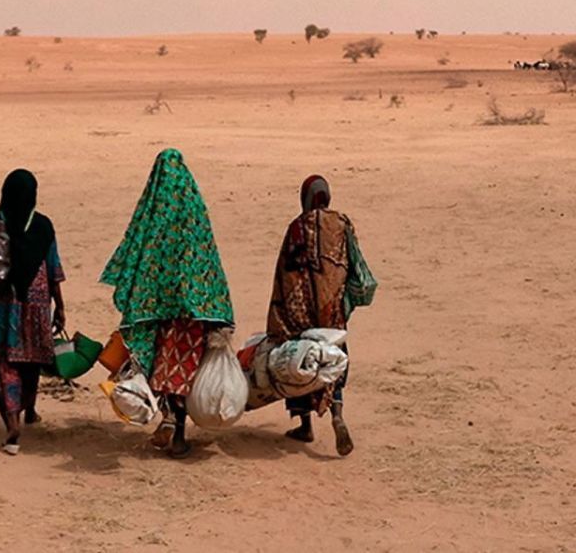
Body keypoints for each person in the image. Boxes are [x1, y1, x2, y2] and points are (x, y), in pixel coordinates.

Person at [100, 148, 234, 458]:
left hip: (159, 311)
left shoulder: (153, 214)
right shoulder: (195, 210)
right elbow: (208, 259)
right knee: (187, 369)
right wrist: (215, 306)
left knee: (163, 366)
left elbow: (136, 253)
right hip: (195, 313)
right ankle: (177, 428)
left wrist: (142, 299)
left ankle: (172, 424)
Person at [266, 174, 376, 456]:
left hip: (298, 311)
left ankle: (305, 425)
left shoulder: (296, 227)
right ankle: (337, 414)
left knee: (301, 361)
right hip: (331, 310)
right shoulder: (341, 223)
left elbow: (283, 274)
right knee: (332, 360)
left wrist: (280, 315)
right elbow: (355, 263)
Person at [0, 169, 66, 455]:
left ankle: (13, 423)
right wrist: (60, 307)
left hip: (0, 303)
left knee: (4, 363)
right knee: (31, 360)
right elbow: (53, 268)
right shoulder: (43, 226)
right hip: (35, 304)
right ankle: (29, 409)